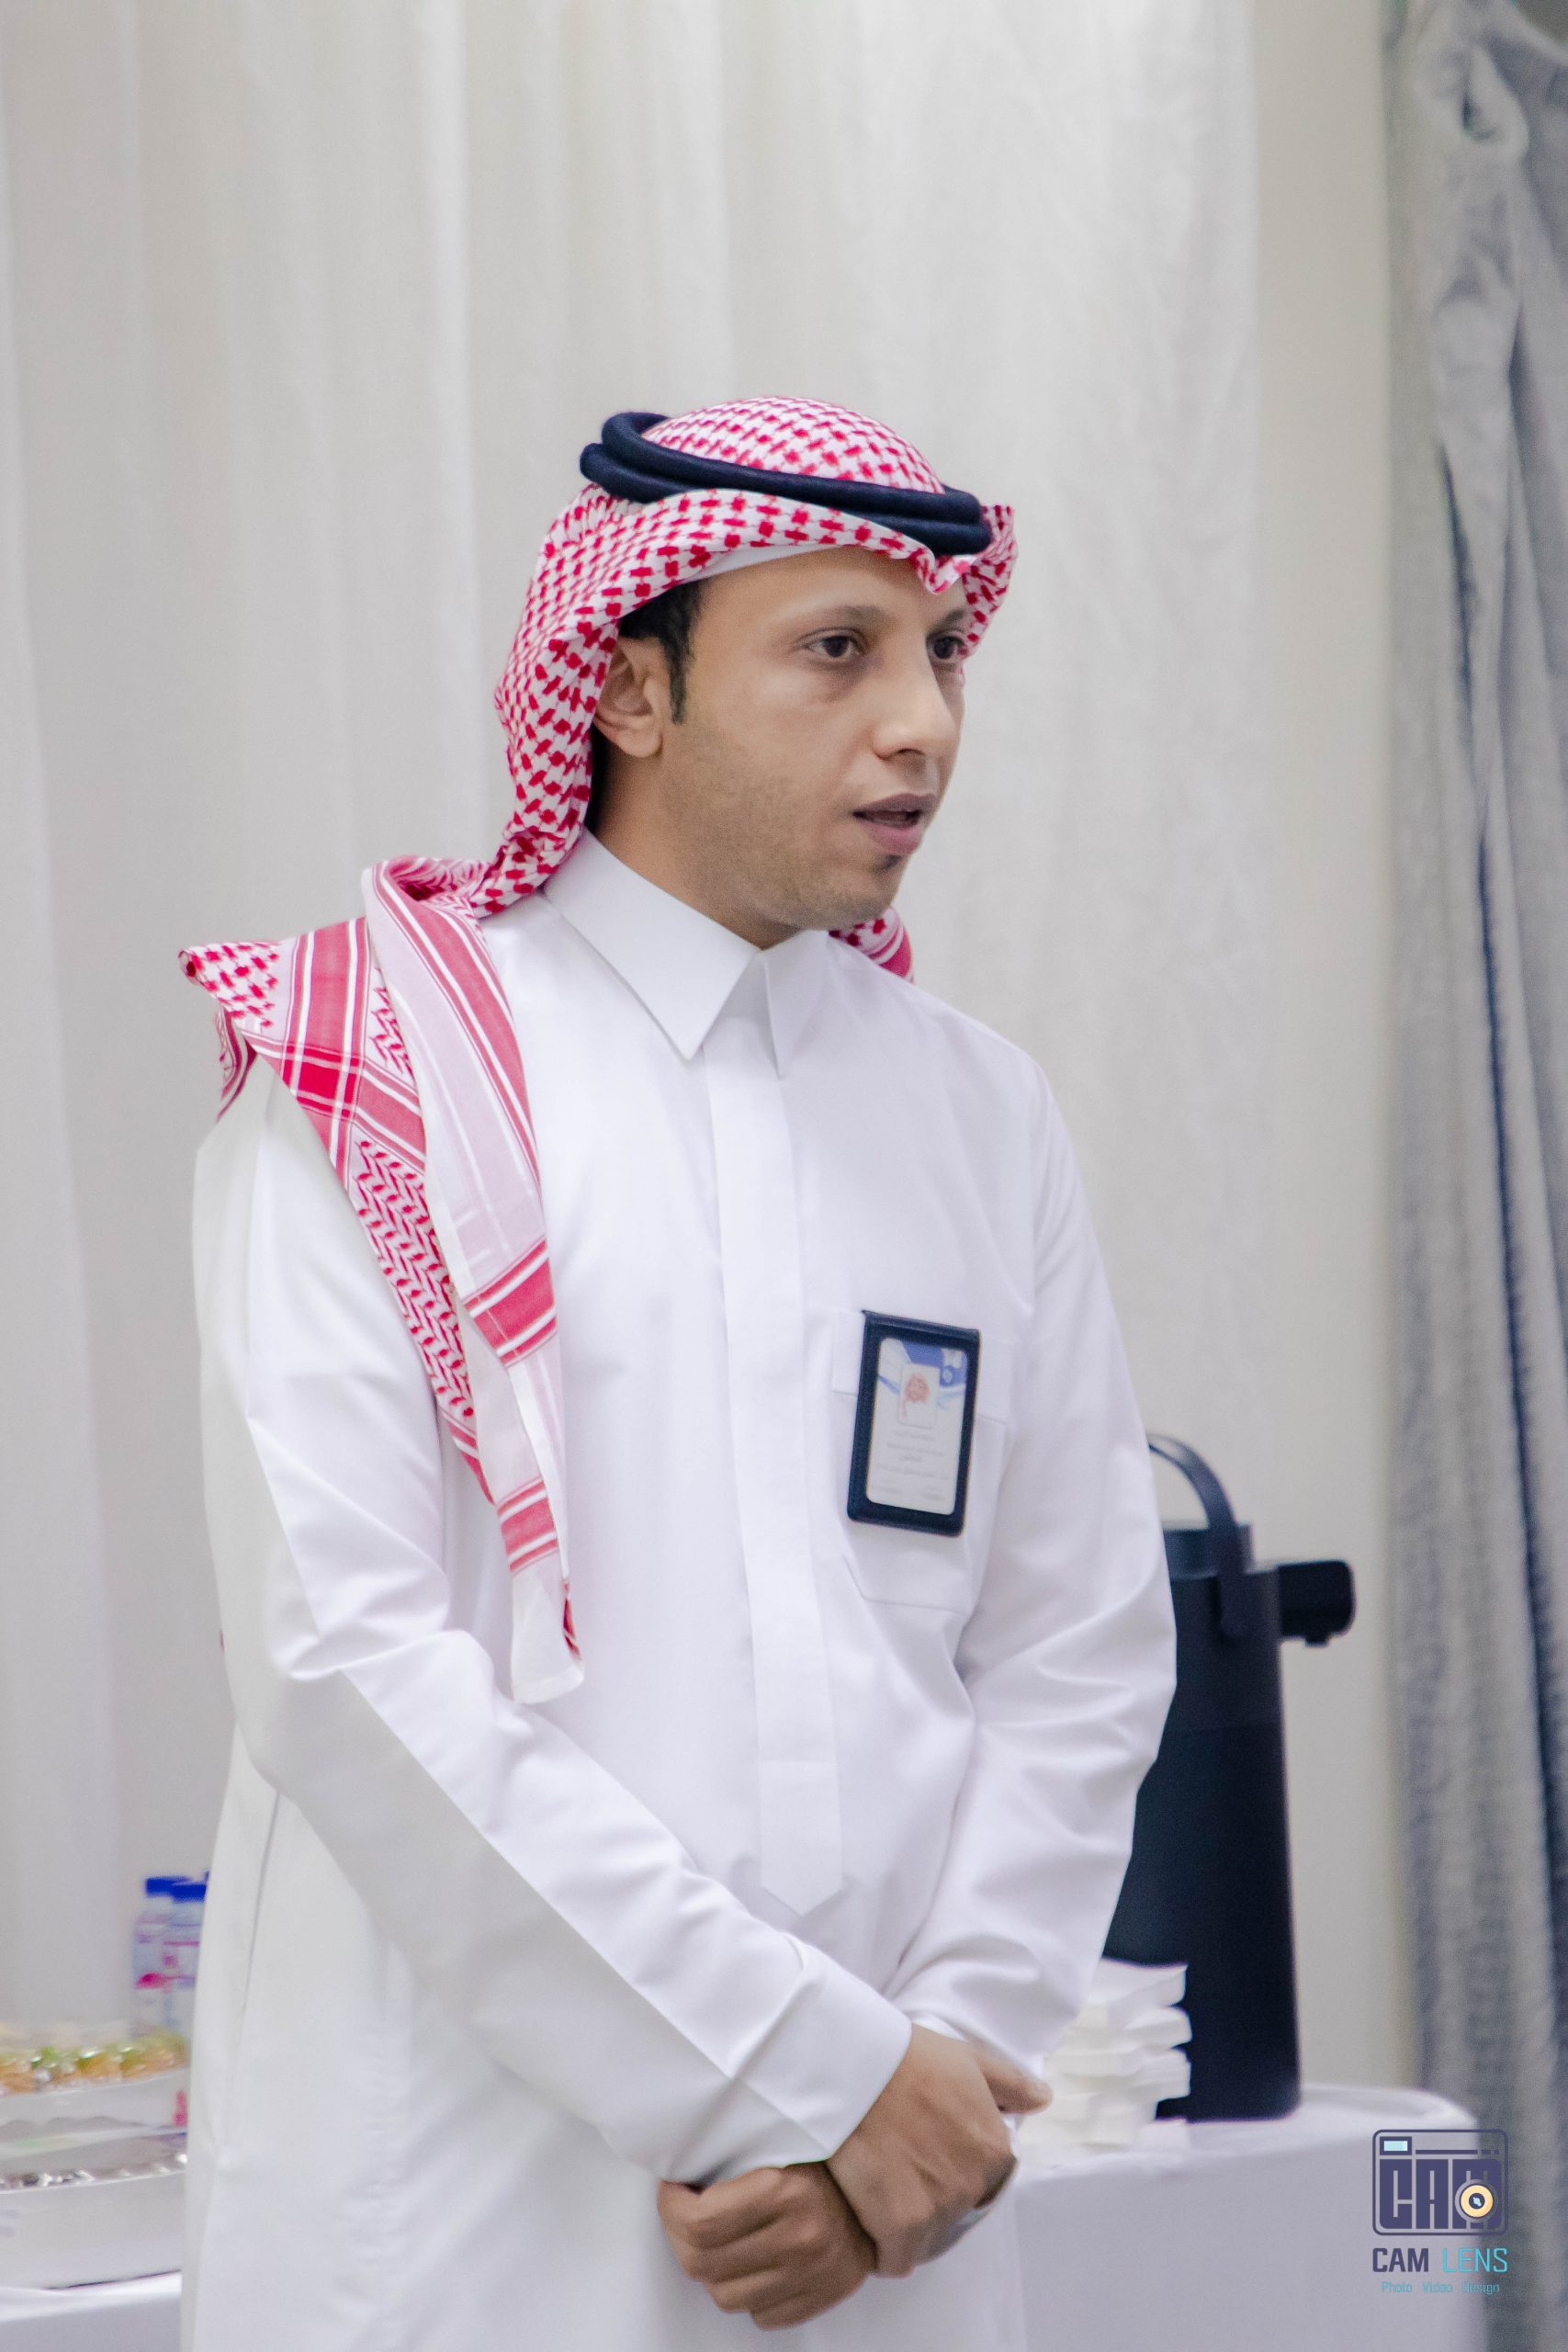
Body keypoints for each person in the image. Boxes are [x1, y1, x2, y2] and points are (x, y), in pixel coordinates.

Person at [181, 399, 1178, 2349]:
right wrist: (811, 2076)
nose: (922, 724)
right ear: (630, 688)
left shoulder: (979, 1111)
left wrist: (933, 2077)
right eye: (837, 651)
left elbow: (1076, 1644)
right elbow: (343, 1664)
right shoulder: (370, 1071)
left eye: (941, 652)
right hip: (472, 2214)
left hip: (890, 2231)